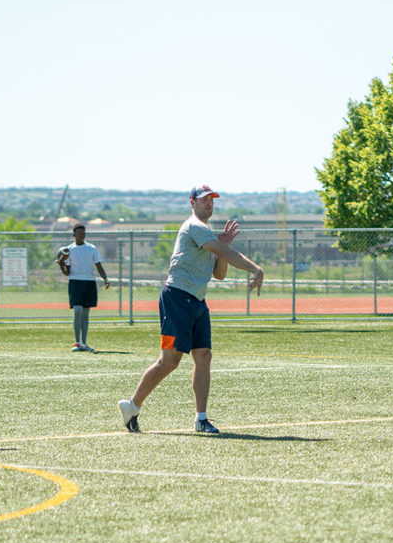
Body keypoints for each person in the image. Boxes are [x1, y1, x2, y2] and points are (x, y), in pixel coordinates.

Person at [117, 184, 264, 434]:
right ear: (192, 202)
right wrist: (254, 268)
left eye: (212, 200)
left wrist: (222, 250)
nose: (209, 203)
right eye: (204, 199)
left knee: (203, 356)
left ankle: (201, 419)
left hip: (197, 300)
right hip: (176, 298)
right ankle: (132, 405)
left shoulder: (207, 233)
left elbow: (218, 274)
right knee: (170, 361)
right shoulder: (194, 226)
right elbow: (224, 252)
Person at [56, 223, 111, 352]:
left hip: (89, 282)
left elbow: (98, 265)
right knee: (77, 310)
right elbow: (67, 272)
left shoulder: (92, 248)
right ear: (74, 235)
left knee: (86, 313)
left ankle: (84, 343)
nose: (82, 235)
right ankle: (77, 342)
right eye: (79, 233)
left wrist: (105, 279)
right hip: (75, 282)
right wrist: (61, 265)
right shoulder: (69, 250)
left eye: (84, 233)